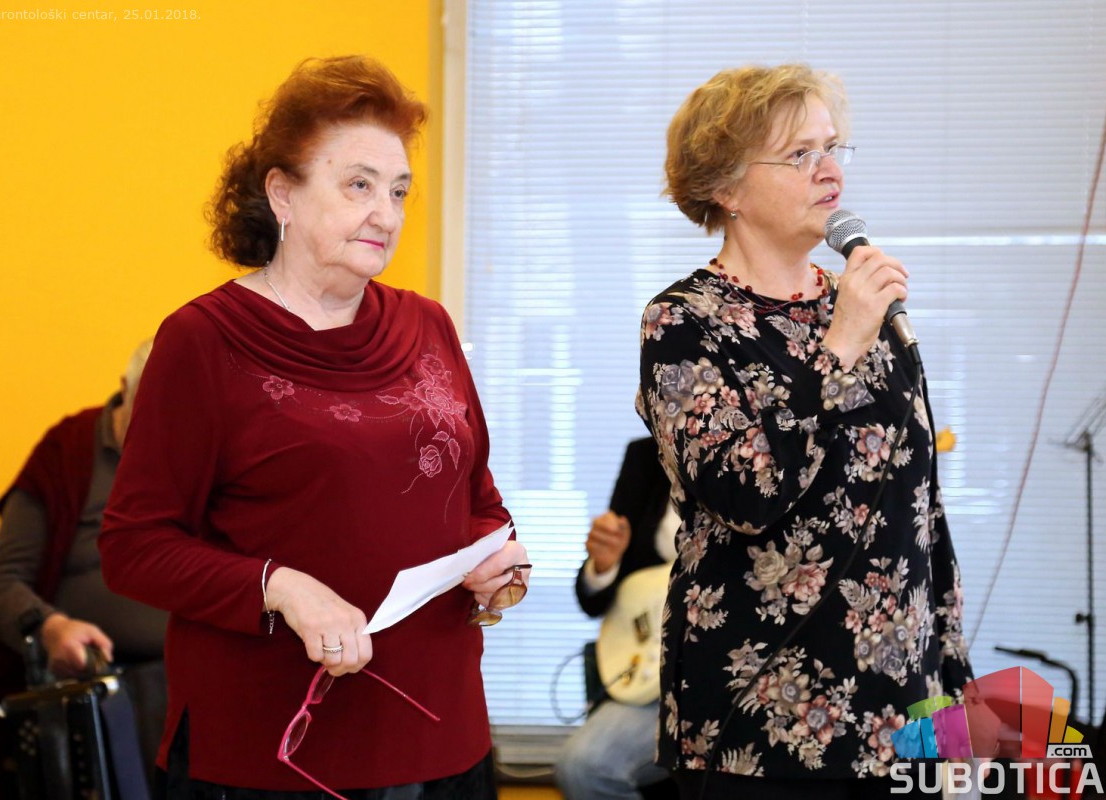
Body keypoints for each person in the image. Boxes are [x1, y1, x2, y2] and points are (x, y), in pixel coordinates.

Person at [98, 55, 528, 800]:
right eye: (359, 185)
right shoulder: (203, 341)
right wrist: (280, 587)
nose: (386, 214)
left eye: (399, 191)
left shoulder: (428, 326)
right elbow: (135, 547)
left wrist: (496, 561)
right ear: (283, 194)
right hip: (271, 751)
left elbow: (477, 499)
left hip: (440, 733)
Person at [635, 64, 972, 798]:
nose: (830, 170)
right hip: (761, 724)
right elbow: (745, 495)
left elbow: (920, 512)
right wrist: (839, 346)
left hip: (903, 715)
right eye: (799, 154)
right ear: (726, 187)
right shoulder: (685, 322)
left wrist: (951, 687)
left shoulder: (863, 306)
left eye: (833, 147)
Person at [0, 338, 167, 788]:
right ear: (124, 389)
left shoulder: (213, 453)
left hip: (200, 672)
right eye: (148, 411)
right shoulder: (69, 451)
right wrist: (50, 627)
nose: (161, 433)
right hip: (104, 681)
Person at [555, 436, 676, 799]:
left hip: (739, 677)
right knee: (582, 767)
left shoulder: (771, 455)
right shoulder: (646, 456)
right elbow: (594, 600)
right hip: (653, 681)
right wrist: (604, 565)